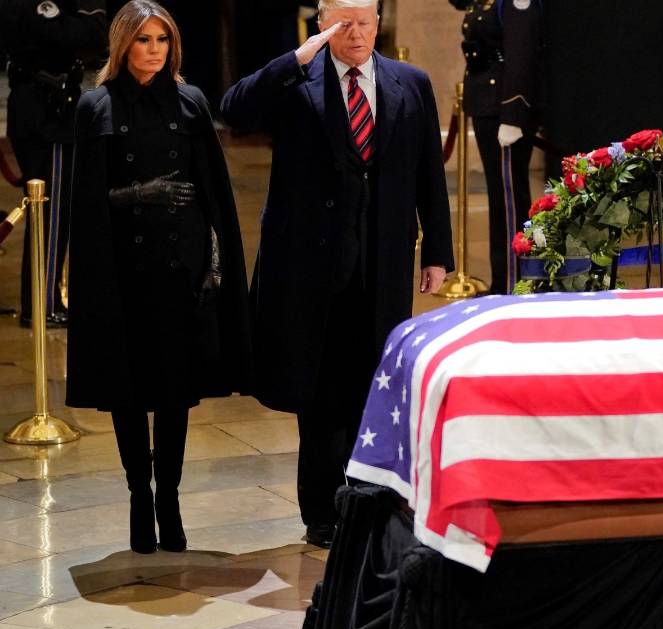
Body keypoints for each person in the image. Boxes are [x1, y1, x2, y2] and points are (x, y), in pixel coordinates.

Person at [220, 0, 454, 548]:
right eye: (343, 23)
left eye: (365, 22)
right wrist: (294, 60)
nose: (356, 33)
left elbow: (428, 172)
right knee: (321, 392)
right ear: (322, 25)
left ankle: (367, 500)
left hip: (382, 261)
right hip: (311, 266)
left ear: (378, 24)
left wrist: (437, 252)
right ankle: (323, 510)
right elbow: (235, 111)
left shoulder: (410, 83)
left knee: (373, 385)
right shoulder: (296, 80)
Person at [65, 0, 253, 554]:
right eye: (144, 40)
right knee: (128, 392)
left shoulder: (190, 102)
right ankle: (138, 497)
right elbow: (86, 202)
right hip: (123, 272)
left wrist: (214, 263)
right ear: (123, 44)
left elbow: (215, 195)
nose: (154, 50)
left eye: (162, 40)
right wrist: (135, 193)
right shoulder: (96, 105)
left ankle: (168, 497)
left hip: (181, 267)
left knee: (176, 390)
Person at [0, 0, 108, 326]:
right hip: (42, 112)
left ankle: (42, 300)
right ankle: (42, 304)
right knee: (50, 213)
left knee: (54, 212)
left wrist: (59, 25)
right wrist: (66, 26)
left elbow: (97, 32)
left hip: (55, 107)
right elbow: (18, 26)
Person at [450, 0, 541, 294]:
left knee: (509, 201)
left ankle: (515, 283)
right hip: (486, 105)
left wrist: (513, 113)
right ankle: (502, 280)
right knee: (498, 198)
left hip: (504, 108)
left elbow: (521, 53)